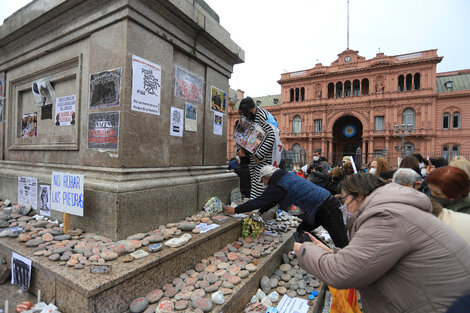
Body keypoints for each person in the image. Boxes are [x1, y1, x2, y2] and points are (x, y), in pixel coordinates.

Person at [294, 173, 470, 313]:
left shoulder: (386, 216)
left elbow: (342, 273)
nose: (343, 207)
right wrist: (332, 254)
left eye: (344, 200)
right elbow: (372, 258)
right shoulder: (393, 209)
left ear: (359, 196)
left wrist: (305, 250)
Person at [225, 165, 349, 248]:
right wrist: (261, 212)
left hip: (326, 207)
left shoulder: (279, 185)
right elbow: (272, 201)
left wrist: (236, 209)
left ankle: (347, 271)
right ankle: (319, 253)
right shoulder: (285, 177)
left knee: (341, 241)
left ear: (267, 178)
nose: (263, 184)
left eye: (263, 181)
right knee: (302, 230)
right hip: (319, 207)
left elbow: (260, 200)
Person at [236, 97, 276, 199]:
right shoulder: (245, 116)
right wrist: (239, 148)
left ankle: (260, 206)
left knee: (262, 182)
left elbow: (271, 135)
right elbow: (241, 133)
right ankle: (255, 204)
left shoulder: (262, 116)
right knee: (254, 181)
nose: (245, 115)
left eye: (247, 112)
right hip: (253, 154)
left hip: (264, 154)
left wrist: (259, 153)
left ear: (253, 109)